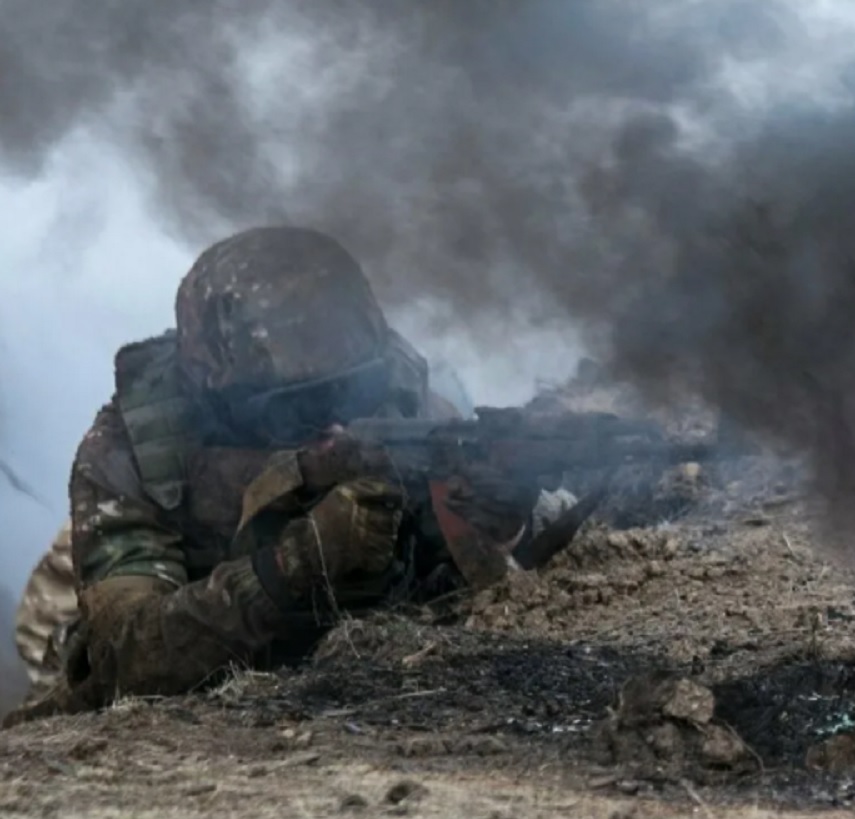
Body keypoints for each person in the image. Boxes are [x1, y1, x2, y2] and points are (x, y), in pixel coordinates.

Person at [5, 226, 547, 725]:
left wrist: (498, 526)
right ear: (223, 398)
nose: (339, 418)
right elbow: (128, 660)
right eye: (305, 405)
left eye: (351, 388)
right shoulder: (135, 458)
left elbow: (465, 590)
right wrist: (290, 567)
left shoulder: (405, 409)